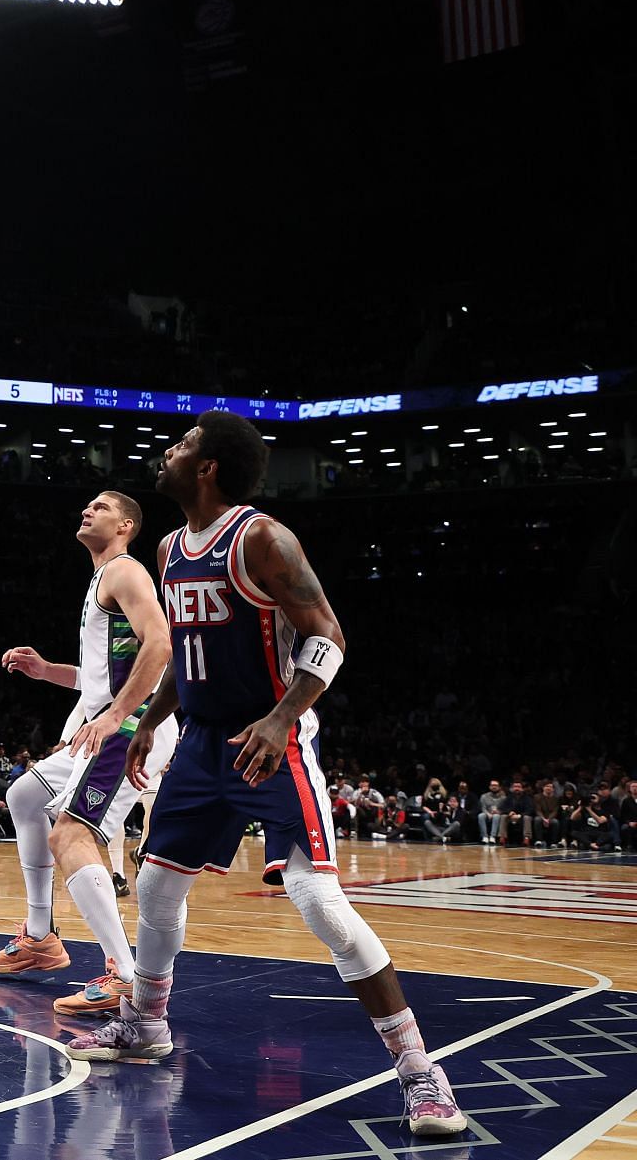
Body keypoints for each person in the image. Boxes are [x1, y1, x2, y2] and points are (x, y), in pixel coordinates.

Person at [68, 410, 465, 1139]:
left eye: (185, 443)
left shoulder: (262, 538)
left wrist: (283, 716)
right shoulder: (166, 547)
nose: (169, 450)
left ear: (210, 466)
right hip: (198, 742)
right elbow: (190, 659)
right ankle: (144, 1023)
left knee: (318, 903)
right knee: (156, 885)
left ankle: (420, 1072)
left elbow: (330, 637)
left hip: (268, 737)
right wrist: (152, 720)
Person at [0, 491, 179, 1011]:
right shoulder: (101, 579)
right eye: (85, 505)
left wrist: (116, 716)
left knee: (69, 833)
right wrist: (49, 671)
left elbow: (161, 646)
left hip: (132, 725)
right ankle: (41, 936)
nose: (86, 510)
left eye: (100, 507)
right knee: (25, 795)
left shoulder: (124, 571)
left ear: (126, 524)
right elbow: (99, 677)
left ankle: (125, 973)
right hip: (106, 721)